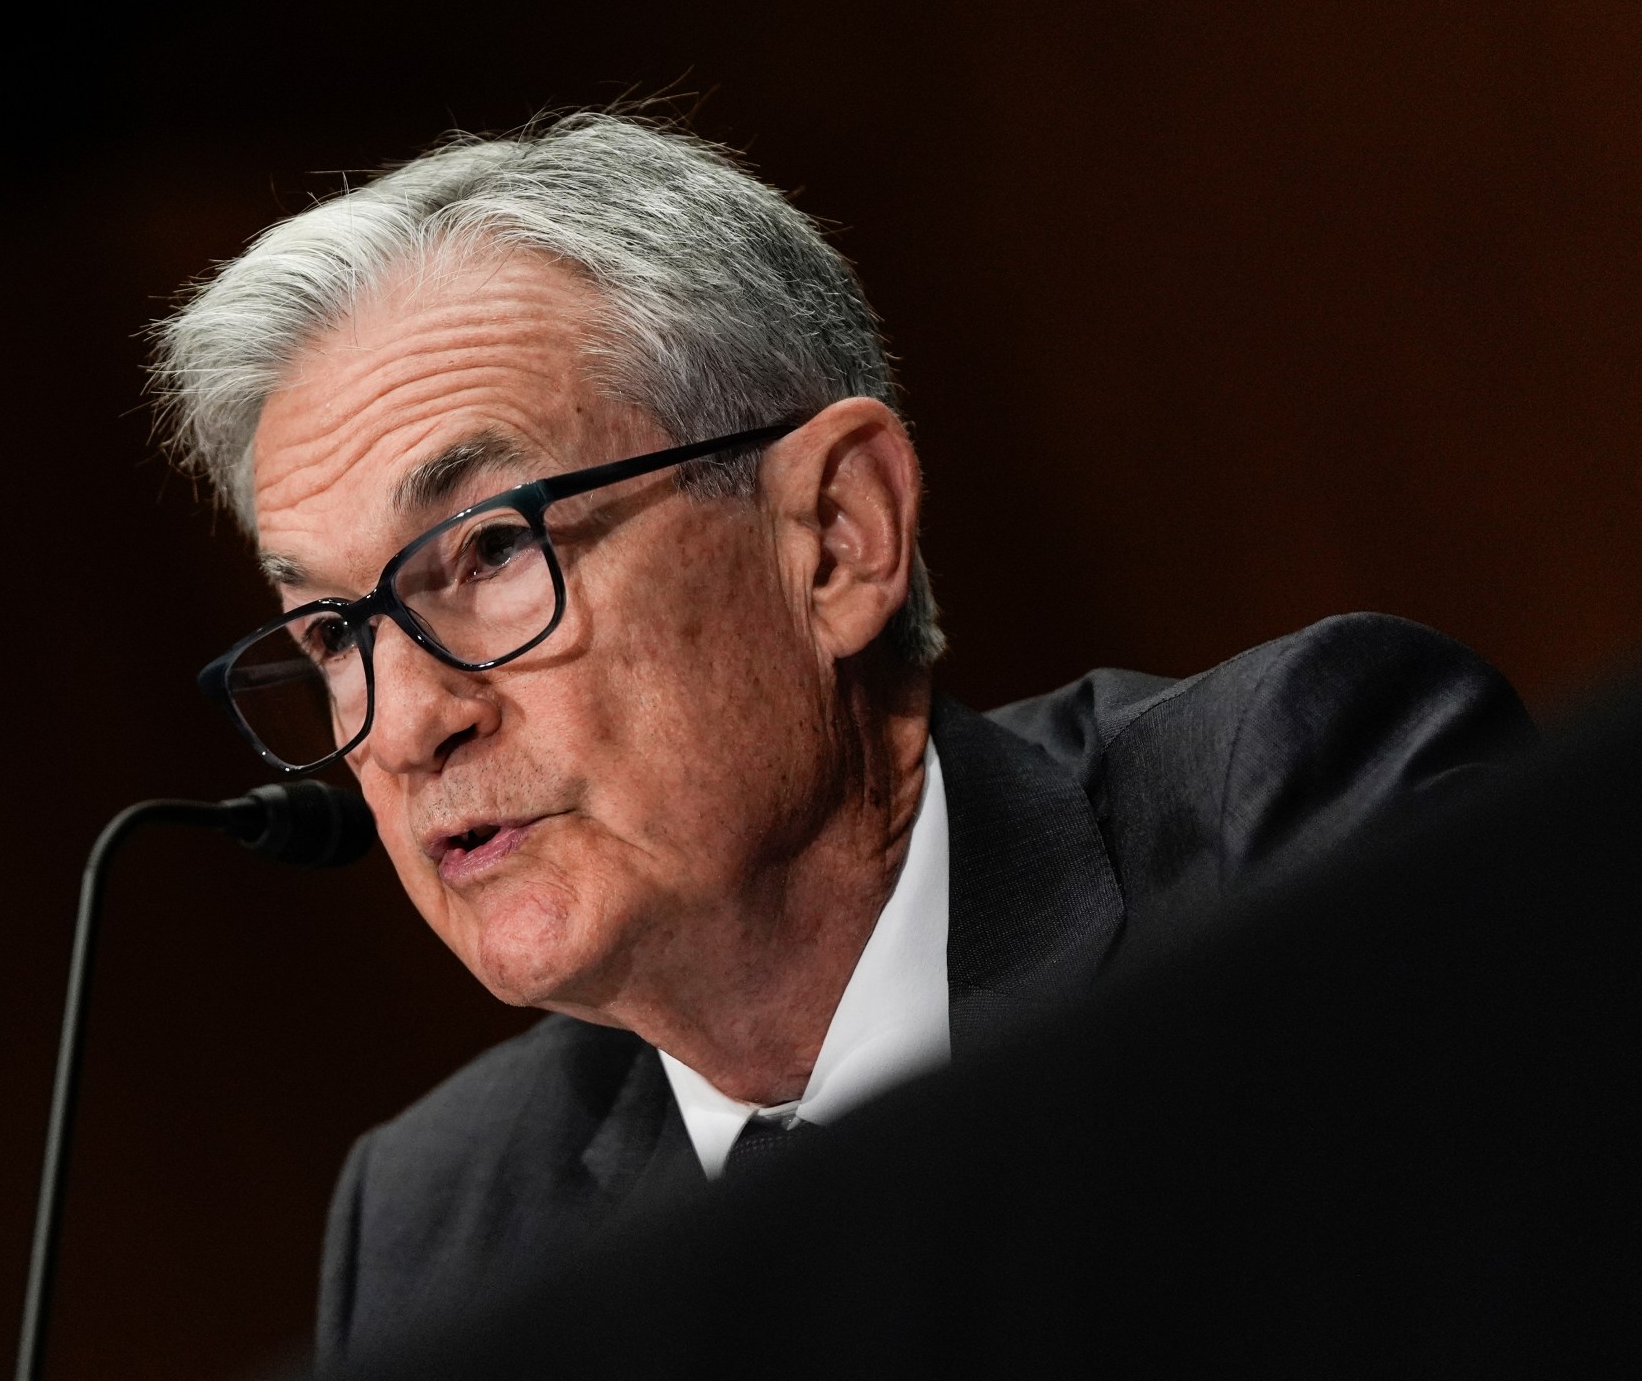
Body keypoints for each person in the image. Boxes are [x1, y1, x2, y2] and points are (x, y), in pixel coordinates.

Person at [144, 113, 1532, 1368]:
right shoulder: (433, 1226)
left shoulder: (1289, 824)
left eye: (493, 548)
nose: (414, 723)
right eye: (333, 633)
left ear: (835, 537)